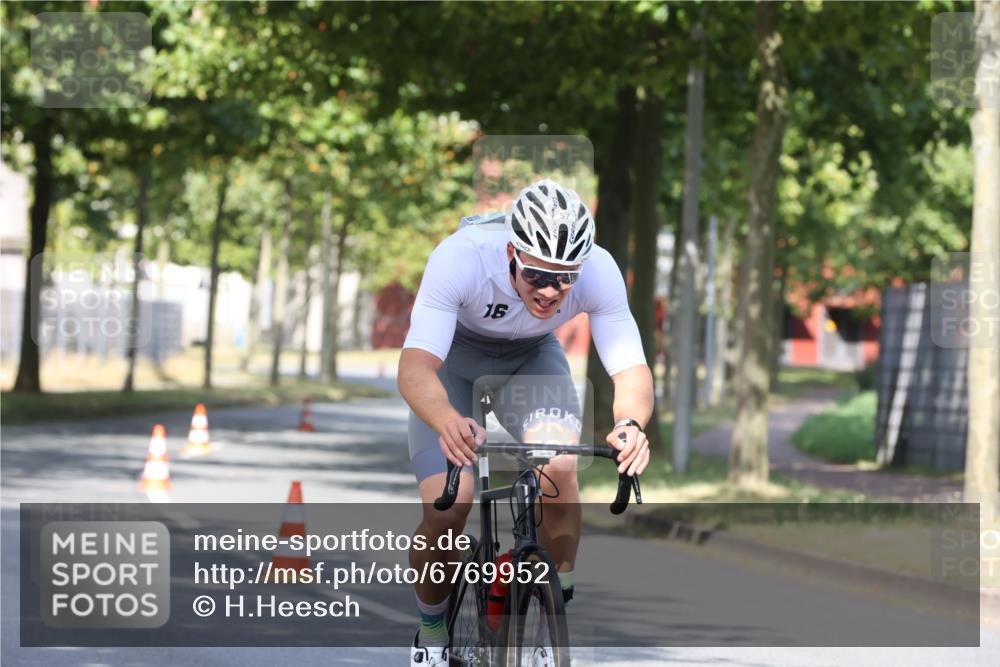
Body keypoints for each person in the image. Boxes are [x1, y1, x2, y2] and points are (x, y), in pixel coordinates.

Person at [398, 179, 653, 666]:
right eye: (536, 274)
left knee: (558, 470)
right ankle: (431, 636)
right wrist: (449, 419)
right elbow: (415, 367)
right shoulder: (462, 258)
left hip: (531, 360)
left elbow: (630, 368)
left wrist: (631, 424)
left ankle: (548, 602)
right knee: (450, 507)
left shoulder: (599, 270)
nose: (551, 291)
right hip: (453, 361)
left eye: (565, 278)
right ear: (513, 251)